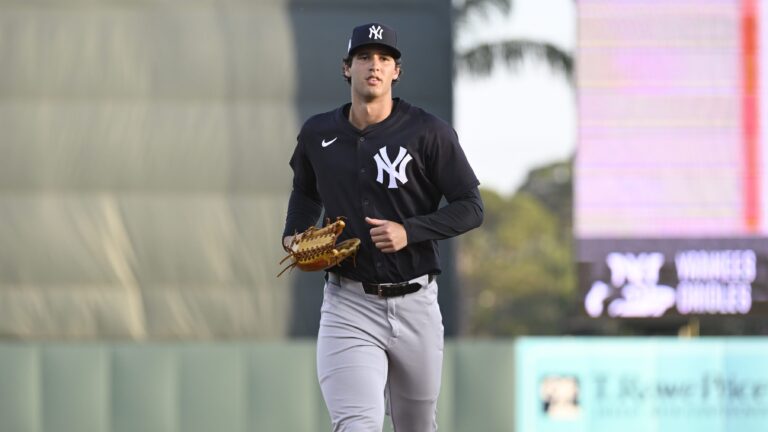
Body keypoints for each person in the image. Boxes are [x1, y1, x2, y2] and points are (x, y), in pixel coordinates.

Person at [282, 22, 483, 432]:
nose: (374, 65)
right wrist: (293, 231)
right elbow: (305, 191)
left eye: (384, 58)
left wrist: (411, 230)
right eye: (364, 57)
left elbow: (471, 207)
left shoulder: (429, 133)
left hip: (417, 303)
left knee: (417, 425)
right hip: (348, 304)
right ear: (346, 68)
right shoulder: (318, 133)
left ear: (396, 72)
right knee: (357, 424)